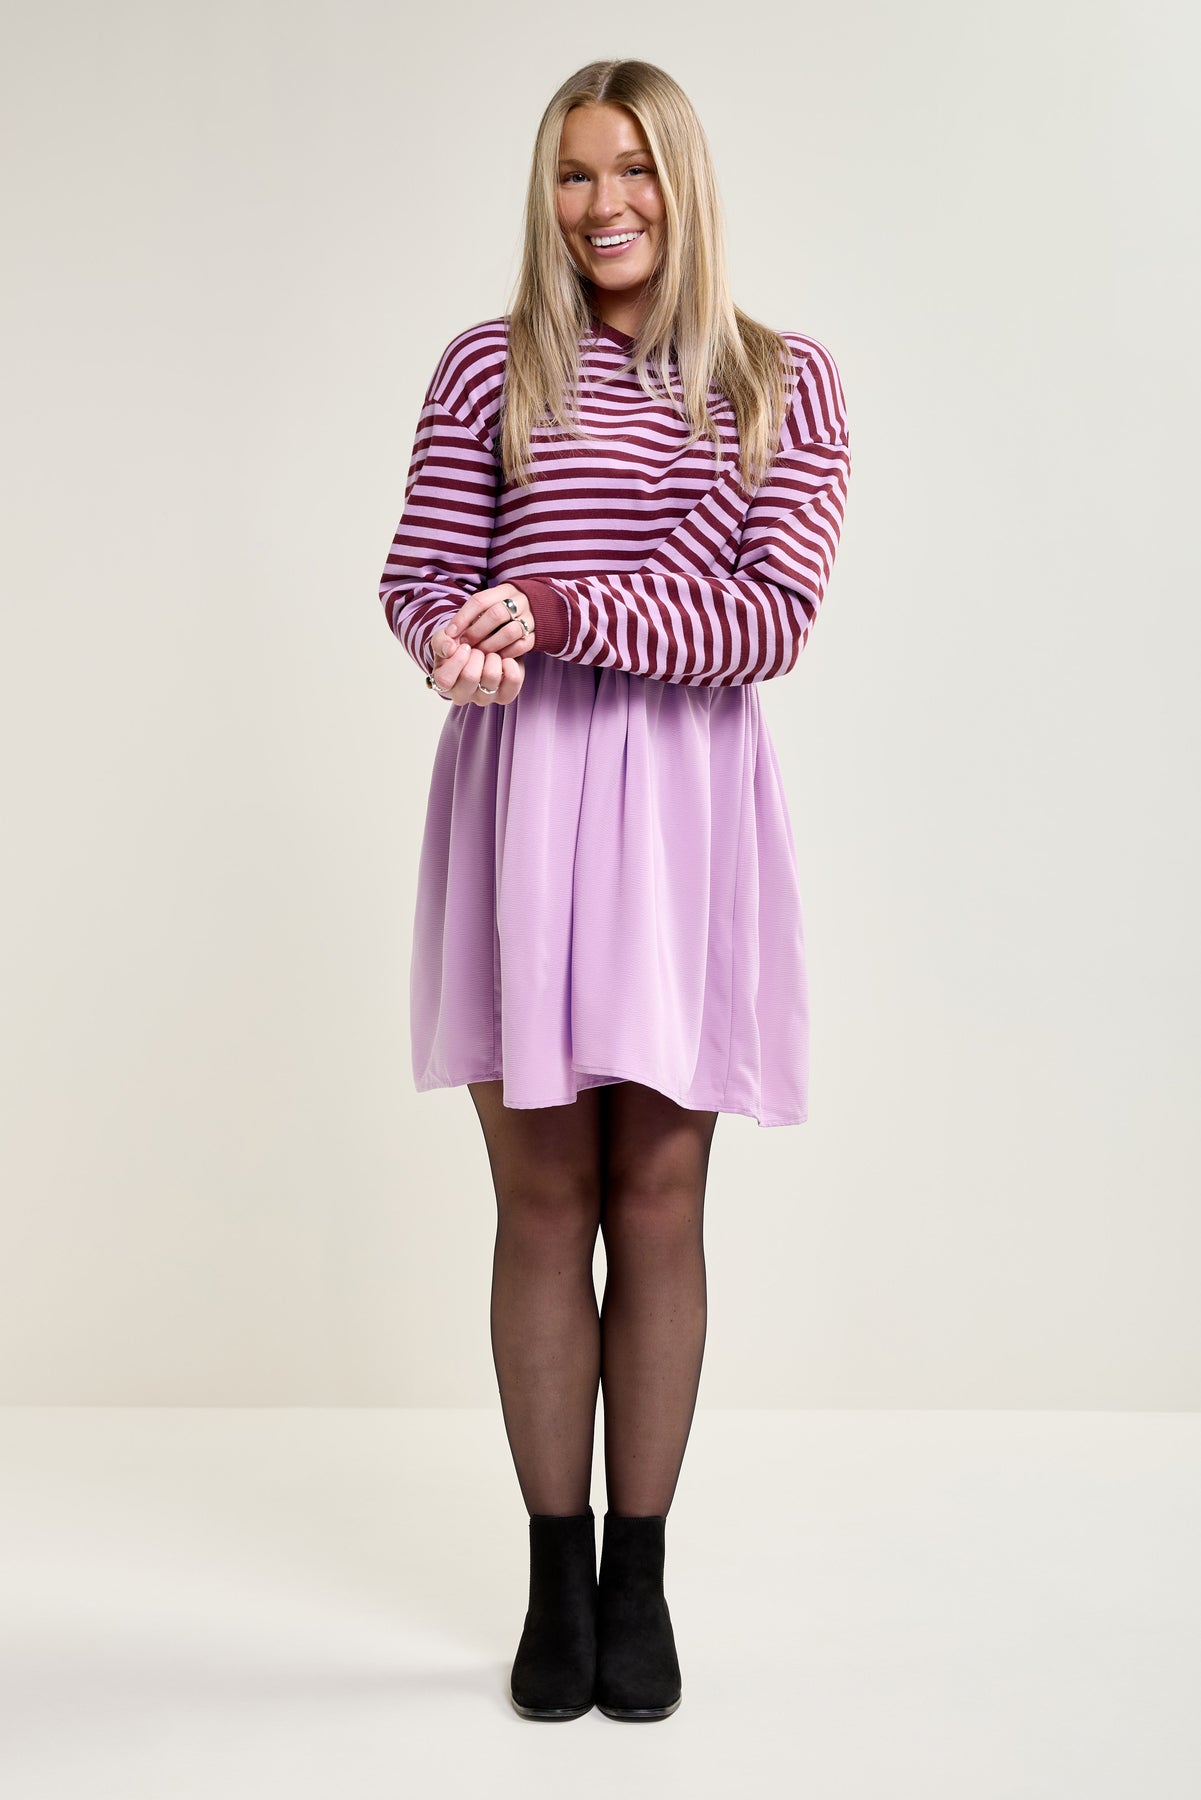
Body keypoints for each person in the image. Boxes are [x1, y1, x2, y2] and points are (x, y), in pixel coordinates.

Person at [377, 59, 851, 1723]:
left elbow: (766, 620)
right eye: (573, 175)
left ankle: (637, 1579)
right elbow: (421, 571)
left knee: (655, 1195)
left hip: (682, 821)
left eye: (631, 170)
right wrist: (452, 638)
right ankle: (551, 1579)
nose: (603, 206)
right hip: (523, 801)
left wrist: (564, 610)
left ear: (682, 181)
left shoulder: (777, 380)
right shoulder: (487, 366)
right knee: (537, 1202)